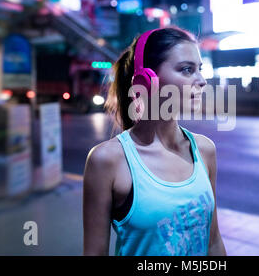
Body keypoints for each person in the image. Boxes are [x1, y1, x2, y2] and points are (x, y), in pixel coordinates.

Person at [83, 26, 226, 256]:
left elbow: (214, 242)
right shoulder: (107, 160)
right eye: (187, 70)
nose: (201, 81)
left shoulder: (205, 150)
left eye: (200, 69)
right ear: (147, 80)